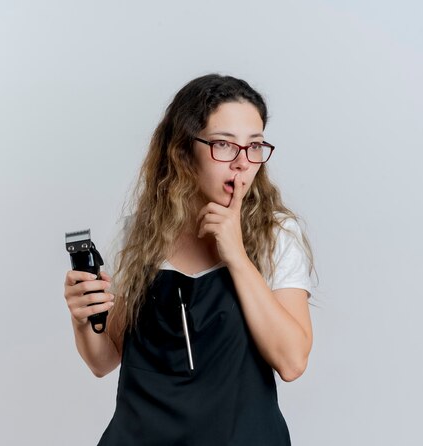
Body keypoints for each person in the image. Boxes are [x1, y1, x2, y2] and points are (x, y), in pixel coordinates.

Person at [63, 74, 315, 445]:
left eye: (255, 145)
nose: (243, 162)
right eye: (224, 145)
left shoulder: (276, 233)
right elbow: (103, 360)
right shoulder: (139, 235)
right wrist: (84, 318)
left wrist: (236, 256)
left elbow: (292, 362)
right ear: (183, 150)